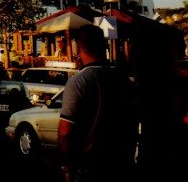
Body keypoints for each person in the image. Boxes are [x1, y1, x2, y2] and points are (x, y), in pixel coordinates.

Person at [58, 24, 137, 182]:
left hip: (90, 166)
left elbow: (66, 132)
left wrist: (67, 167)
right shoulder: (124, 80)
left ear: (78, 48)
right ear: (103, 46)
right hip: (122, 162)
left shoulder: (79, 81)